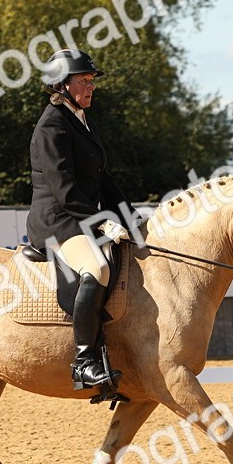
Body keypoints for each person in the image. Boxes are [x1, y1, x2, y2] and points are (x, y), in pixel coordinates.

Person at [26, 49, 140, 395]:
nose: (91, 86)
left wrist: (131, 218)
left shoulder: (80, 120)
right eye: (84, 81)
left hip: (80, 217)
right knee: (98, 269)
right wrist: (102, 222)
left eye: (92, 81)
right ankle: (84, 362)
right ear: (61, 85)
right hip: (58, 221)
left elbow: (103, 180)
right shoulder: (51, 126)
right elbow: (64, 189)